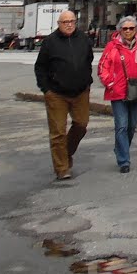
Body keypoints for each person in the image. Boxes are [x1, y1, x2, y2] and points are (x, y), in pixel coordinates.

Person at [34, 10, 94, 181]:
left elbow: (89, 59)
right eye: (65, 22)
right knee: (58, 132)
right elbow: (40, 67)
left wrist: (86, 81)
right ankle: (62, 168)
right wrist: (46, 89)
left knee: (81, 124)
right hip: (56, 94)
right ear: (59, 24)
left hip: (80, 91)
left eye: (72, 21)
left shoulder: (83, 39)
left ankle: (65, 153)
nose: (69, 24)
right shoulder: (50, 42)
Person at [98, 16, 137, 174]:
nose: (128, 31)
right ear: (120, 30)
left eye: (131, 28)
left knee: (131, 126)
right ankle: (124, 160)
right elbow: (103, 67)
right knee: (121, 126)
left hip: (136, 90)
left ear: (136, 29)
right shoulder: (112, 46)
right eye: (125, 29)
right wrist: (110, 83)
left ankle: (120, 148)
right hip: (118, 92)